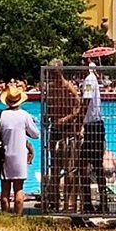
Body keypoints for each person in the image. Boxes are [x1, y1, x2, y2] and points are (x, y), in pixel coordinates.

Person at [43, 61, 81, 210]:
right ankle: (55, 201)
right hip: (55, 129)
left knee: (69, 167)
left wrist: (66, 119)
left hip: (67, 129)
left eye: (55, 72)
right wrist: (48, 118)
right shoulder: (51, 89)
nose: (53, 75)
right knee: (55, 166)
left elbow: (78, 108)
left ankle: (68, 203)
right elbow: (48, 108)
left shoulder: (69, 88)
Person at [0, 84, 40, 216]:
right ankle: (18, 216)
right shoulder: (24, 115)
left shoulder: (1, 115)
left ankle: (4, 216)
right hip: (20, 155)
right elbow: (36, 134)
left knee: (5, 188)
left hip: (4, 155)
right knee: (19, 188)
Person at [79, 62, 107, 214]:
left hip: (92, 126)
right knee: (95, 166)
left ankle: (90, 202)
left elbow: (86, 100)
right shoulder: (93, 79)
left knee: (86, 166)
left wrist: (79, 121)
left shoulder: (89, 80)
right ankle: (99, 202)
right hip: (95, 125)